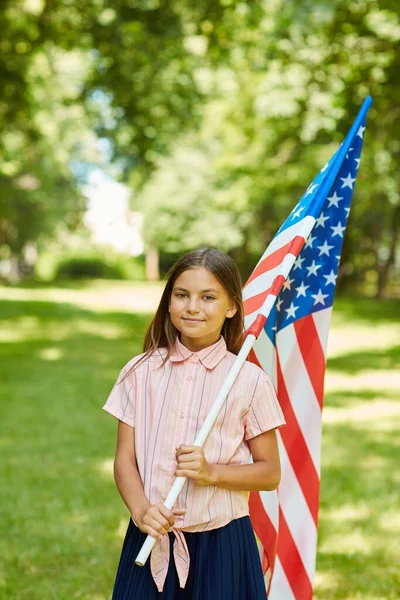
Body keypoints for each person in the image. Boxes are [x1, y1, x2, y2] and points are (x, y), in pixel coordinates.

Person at [102, 247, 286, 600]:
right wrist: (141, 510)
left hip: (223, 545)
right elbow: (125, 460)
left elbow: (269, 473)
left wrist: (210, 472)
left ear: (231, 306)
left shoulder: (248, 381)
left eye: (208, 297)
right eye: (182, 295)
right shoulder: (140, 372)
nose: (192, 307)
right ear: (169, 301)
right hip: (151, 534)